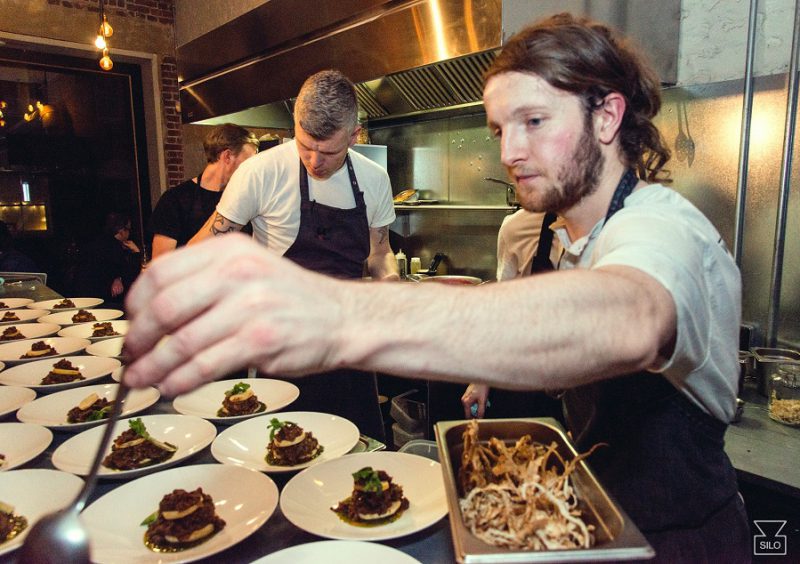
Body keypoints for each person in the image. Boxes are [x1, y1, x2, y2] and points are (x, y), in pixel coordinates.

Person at [123, 14, 749, 561]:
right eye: (500, 128)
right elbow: (523, 322)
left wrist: (341, 315)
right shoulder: (534, 233)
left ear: (608, 115)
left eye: (534, 120)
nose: (510, 151)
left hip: (682, 537)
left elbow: (628, 318)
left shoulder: (663, 230)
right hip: (586, 519)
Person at [186, 69, 399, 439]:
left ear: (355, 136)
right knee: (284, 456)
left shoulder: (373, 178)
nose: (314, 162)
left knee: (359, 456)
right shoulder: (259, 173)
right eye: (305, 146)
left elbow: (379, 253)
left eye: (328, 151)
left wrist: (393, 285)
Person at [460, 208, 564, 420]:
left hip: (596, 382)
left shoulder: (618, 223)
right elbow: (504, 310)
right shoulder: (517, 227)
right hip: (530, 377)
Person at [149, 124, 259, 261]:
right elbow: (161, 264)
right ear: (227, 156)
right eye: (248, 162)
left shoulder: (245, 198)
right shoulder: (174, 200)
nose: (252, 169)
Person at [73, 212, 141, 306]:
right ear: (121, 231)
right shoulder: (113, 246)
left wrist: (118, 277)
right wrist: (136, 252)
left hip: (82, 293)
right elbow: (131, 274)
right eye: (129, 229)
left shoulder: (100, 241)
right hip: (100, 298)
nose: (130, 233)